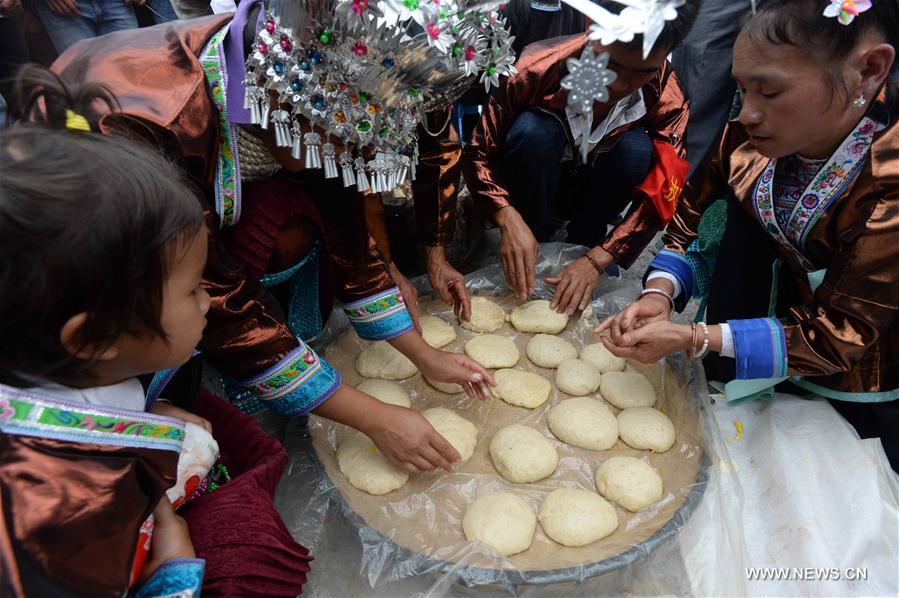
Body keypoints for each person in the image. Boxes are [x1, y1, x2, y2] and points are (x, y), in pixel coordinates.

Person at [51, 0, 507, 474]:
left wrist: (425, 355)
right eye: (349, 139)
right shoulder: (146, 121)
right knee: (151, 358)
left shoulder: (307, 115)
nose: (359, 153)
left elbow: (348, 238)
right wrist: (372, 417)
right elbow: (211, 290)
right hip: (93, 275)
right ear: (286, 99)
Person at [0, 68, 312, 595]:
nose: (210, 298)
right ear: (95, 337)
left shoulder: (55, 367)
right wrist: (173, 573)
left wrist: (142, 414)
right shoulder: (54, 514)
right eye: (192, 289)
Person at [599, 0, 899, 471]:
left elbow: (845, 334)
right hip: (762, 320)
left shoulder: (888, 183)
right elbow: (693, 219)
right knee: (737, 217)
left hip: (855, 358)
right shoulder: (746, 136)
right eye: (741, 90)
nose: (749, 113)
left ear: (869, 70)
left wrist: (697, 337)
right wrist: (661, 293)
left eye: (770, 92)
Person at [462, 0, 700, 315]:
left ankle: (587, 241)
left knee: (637, 151)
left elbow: (665, 189)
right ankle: (533, 238)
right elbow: (478, 151)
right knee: (533, 131)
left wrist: (600, 256)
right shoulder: (537, 67)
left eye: (642, 72)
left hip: (598, 189)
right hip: (537, 181)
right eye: (609, 64)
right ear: (591, 29)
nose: (620, 84)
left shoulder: (669, 96)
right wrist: (506, 216)